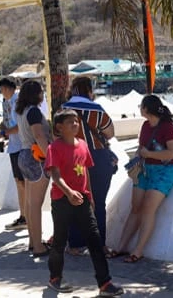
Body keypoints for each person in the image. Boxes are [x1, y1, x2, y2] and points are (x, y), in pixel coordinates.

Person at [45, 109, 124, 296]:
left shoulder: (82, 144)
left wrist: (90, 197)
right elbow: (54, 174)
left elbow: (86, 171)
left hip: (82, 199)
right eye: (70, 122)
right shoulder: (54, 148)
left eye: (76, 121)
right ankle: (55, 278)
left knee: (95, 241)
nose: (75, 124)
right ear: (59, 127)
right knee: (60, 241)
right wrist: (69, 192)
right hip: (62, 200)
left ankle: (105, 283)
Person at [110, 94, 173, 263]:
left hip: (164, 170)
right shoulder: (145, 125)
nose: (139, 108)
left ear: (147, 109)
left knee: (148, 208)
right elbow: (141, 147)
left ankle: (138, 250)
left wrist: (150, 154)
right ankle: (121, 246)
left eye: (141, 106)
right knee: (136, 207)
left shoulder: (167, 127)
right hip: (145, 169)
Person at [62, 75, 117, 256]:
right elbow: (110, 133)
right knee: (98, 202)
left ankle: (75, 245)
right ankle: (99, 245)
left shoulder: (64, 110)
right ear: (89, 90)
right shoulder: (97, 110)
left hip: (73, 159)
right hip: (98, 158)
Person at [14, 80, 53, 257]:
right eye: (41, 92)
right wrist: (51, 157)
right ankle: (38, 246)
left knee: (30, 203)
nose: (43, 95)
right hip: (36, 157)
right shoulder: (34, 112)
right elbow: (38, 135)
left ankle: (33, 240)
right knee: (36, 204)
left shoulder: (21, 111)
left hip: (23, 155)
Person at [0, 77, 27, 231]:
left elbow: (19, 126)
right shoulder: (7, 103)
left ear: (9, 89)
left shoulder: (17, 103)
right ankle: (23, 216)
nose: (2, 93)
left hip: (21, 146)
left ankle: (26, 216)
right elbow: (9, 123)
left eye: (3, 89)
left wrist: (3, 133)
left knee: (23, 183)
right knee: (19, 182)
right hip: (14, 146)